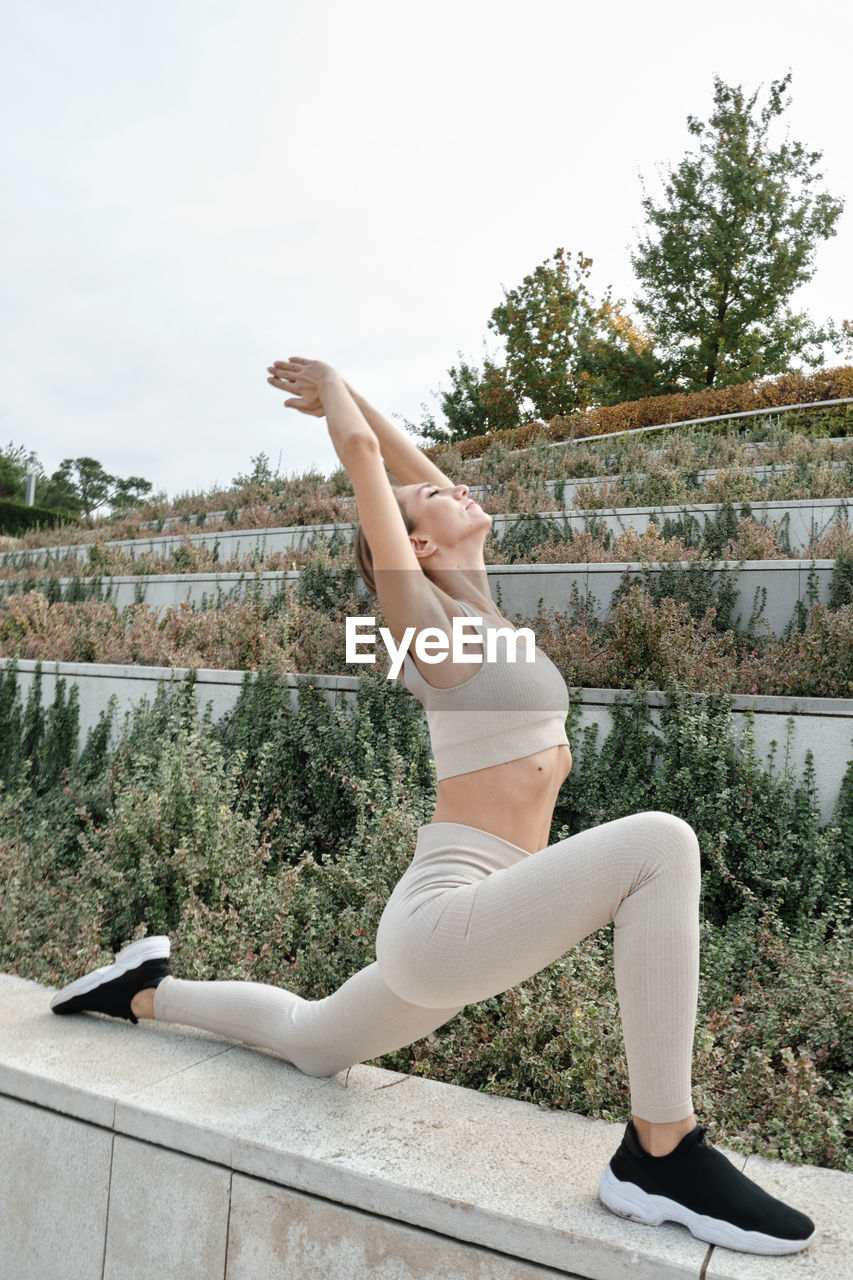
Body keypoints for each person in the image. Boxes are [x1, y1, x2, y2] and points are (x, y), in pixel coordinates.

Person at [51, 357, 814, 1257]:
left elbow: (408, 471)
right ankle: (660, 1152)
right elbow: (371, 462)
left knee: (313, 1040)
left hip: (486, 907)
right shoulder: (421, 619)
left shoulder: (472, 605)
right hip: (448, 919)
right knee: (662, 845)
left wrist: (356, 396)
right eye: (433, 498)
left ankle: (142, 990)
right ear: (412, 547)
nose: (452, 485)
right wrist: (338, 400)